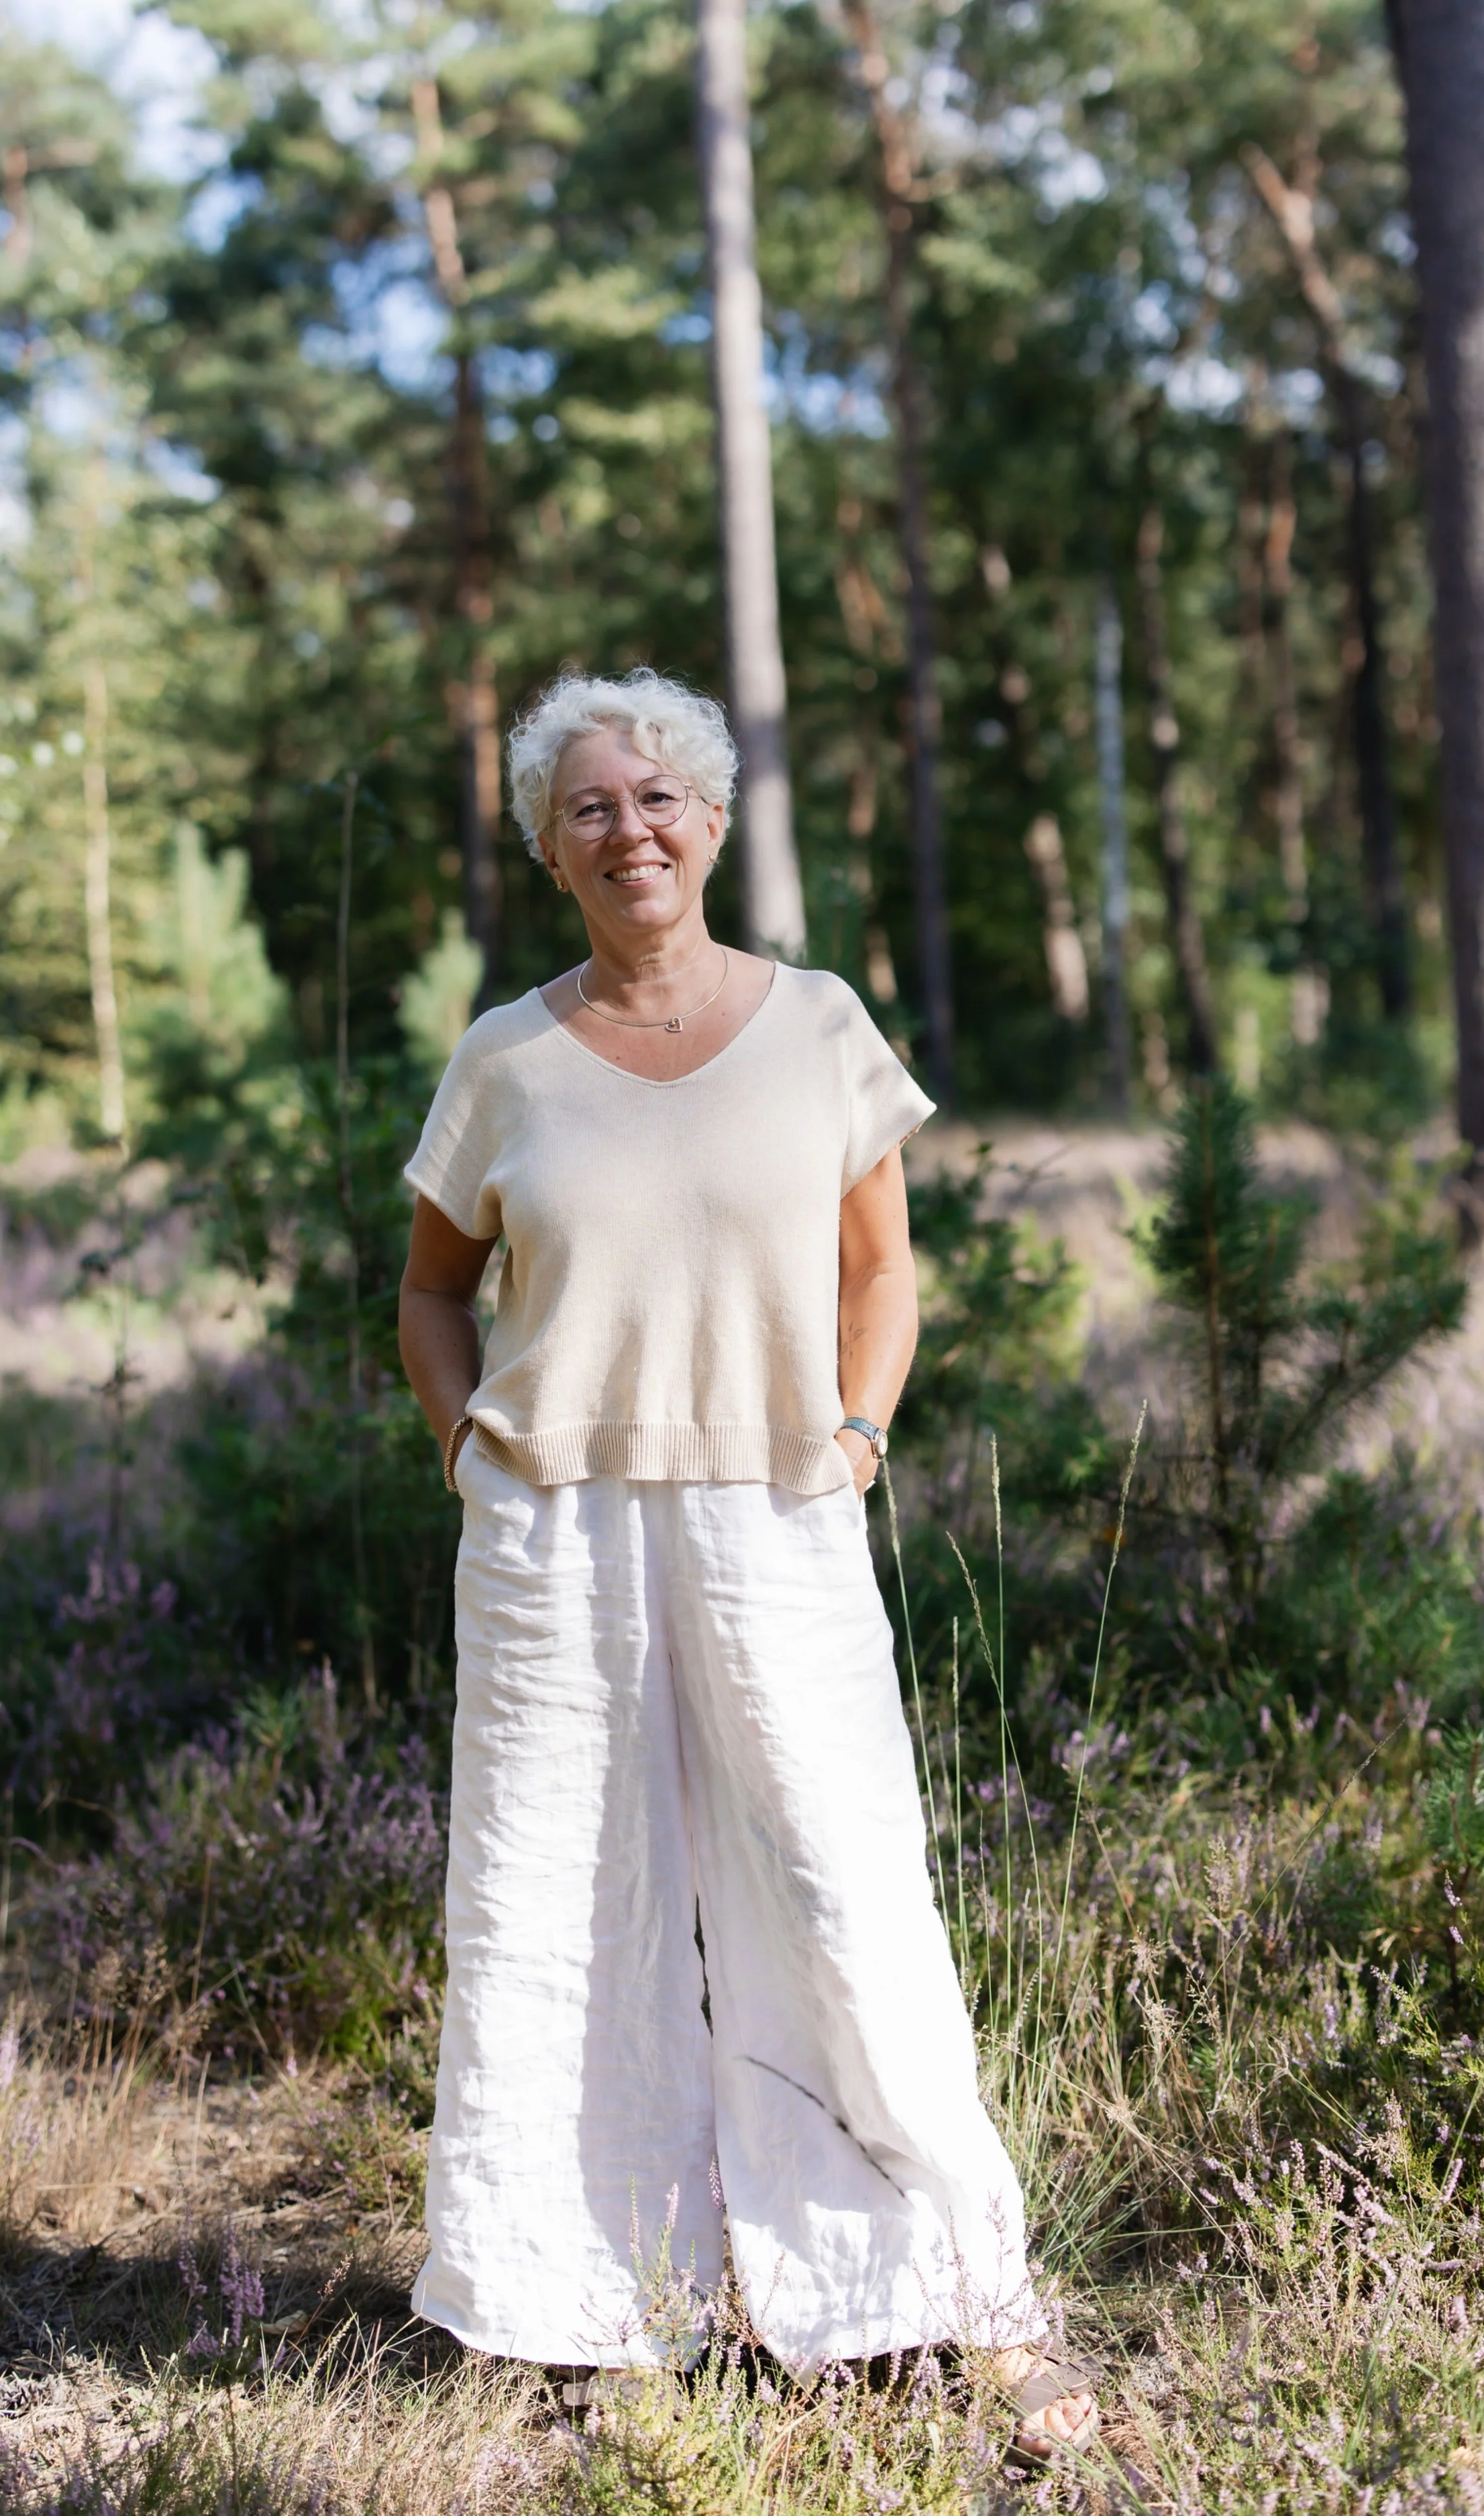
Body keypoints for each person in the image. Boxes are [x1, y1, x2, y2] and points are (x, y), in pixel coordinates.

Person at [396, 668, 1100, 2462]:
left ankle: (938, 2287)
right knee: (550, 1904)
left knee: (845, 1888)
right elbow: (428, 1287)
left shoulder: (818, 1027)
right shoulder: (502, 1056)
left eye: (656, 798)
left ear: (708, 822)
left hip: (776, 1507)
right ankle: (579, 2301)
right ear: (548, 844)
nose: (626, 827)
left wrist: (855, 1440)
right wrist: (470, 1454)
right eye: (586, 805)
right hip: (553, 1527)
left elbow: (884, 1274)